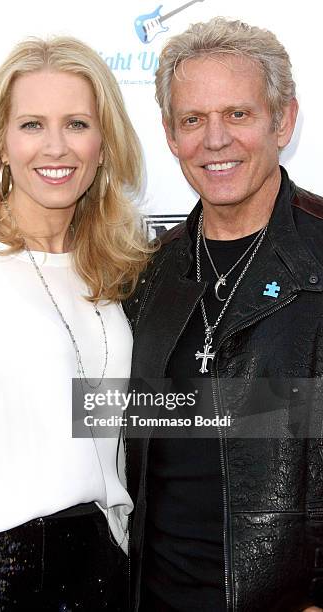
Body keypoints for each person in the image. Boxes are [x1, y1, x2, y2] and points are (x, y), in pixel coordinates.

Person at [0, 36, 151, 611]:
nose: (55, 146)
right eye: (31, 125)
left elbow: (104, 417)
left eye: (76, 123)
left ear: (103, 144)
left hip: (102, 563)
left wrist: (288, 407)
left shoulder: (116, 270)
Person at [123, 17, 323, 612]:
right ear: (170, 134)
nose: (215, 140)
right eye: (193, 119)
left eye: (237, 114)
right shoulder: (145, 276)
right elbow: (112, 423)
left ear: (282, 120)